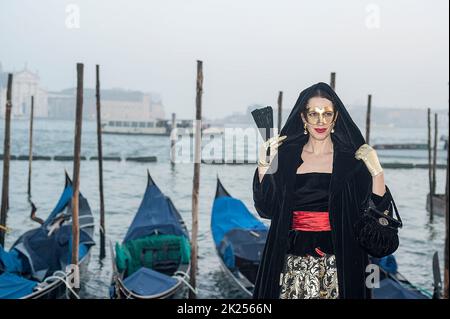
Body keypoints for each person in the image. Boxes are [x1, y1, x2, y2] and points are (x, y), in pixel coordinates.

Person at [253, 82, 394, 299]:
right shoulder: (286, 157)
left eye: (327, 113)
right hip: (289, 266)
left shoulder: (352, 161)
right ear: (303, 117)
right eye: (313, 113)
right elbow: (267, 209)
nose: (321, 121)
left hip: (342, 266)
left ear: (335, 117)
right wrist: (264, 166)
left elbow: (376, 226)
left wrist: (377, 173)